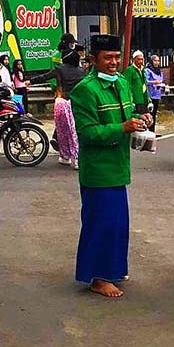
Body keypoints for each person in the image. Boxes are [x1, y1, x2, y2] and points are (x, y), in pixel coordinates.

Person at [68, 34, 153, 298]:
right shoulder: (85, 90)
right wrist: (122, 127)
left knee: (118, 223)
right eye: (108, 58)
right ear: (94, 60)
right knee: (100, 223)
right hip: (98, 170)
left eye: (117, 57)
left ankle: (113, 269)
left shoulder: (124, 83)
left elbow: (127, 116)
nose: (114, 62)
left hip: (119, 167)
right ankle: (97, 277)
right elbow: (88, 133)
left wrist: (140, 119)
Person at [31, 49, 85, 166]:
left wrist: (30, 81)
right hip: (76, 103)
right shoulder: (81, 72)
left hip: (61, 102)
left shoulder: (59, 69)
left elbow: (45, 77)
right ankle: (76, 159)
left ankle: (65, 156)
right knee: (73, 131)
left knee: (62, 131)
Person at [144, 54, 165, 134]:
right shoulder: (147, 70)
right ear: (151, 61)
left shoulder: (159, 71)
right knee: (149, 114)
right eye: (155, 60)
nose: (157, 62)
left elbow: (161, 81)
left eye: (158, 61)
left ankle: (152, 132)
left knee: (154, 114)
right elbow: (145, 82)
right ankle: (147, 131)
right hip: (150, 95)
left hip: (157, 95)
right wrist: (154, 82)